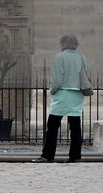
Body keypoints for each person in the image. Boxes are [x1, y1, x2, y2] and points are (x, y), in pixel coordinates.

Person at [35, 34, 89, 163]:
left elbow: (57, 78)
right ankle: (75, 156)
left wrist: (52, 90)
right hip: (76, 95)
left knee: (52, 126)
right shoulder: (82, 57)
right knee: (75, 127)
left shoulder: (60, 57)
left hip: (62, 94)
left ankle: (48, 155)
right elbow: (86, 74)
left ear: (64, 44)